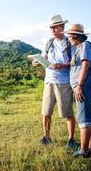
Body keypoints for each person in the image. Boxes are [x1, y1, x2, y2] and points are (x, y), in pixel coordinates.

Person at [32, 14, 77, 148]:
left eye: (55, 27)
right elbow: (43, 57)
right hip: (49, 81)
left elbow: (75, 61)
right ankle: (47, 136)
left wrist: (62, 65)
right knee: (46, 112)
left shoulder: (70, 43)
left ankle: (71, 139)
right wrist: (36, 62)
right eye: (51, 28)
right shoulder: (49, 42)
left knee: (67, 112)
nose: (52, 30)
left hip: (64, 82)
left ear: (62, 27)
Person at [66, 23, 91, 158]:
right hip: (83, 87)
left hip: (83, 87)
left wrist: (79, 85)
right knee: (88, 119)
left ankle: (84, 151)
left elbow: (85, 65)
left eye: (69, 36)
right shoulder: (79, 48)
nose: (68, 38)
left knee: (84, 120)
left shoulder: (84, 46)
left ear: (75, 36)